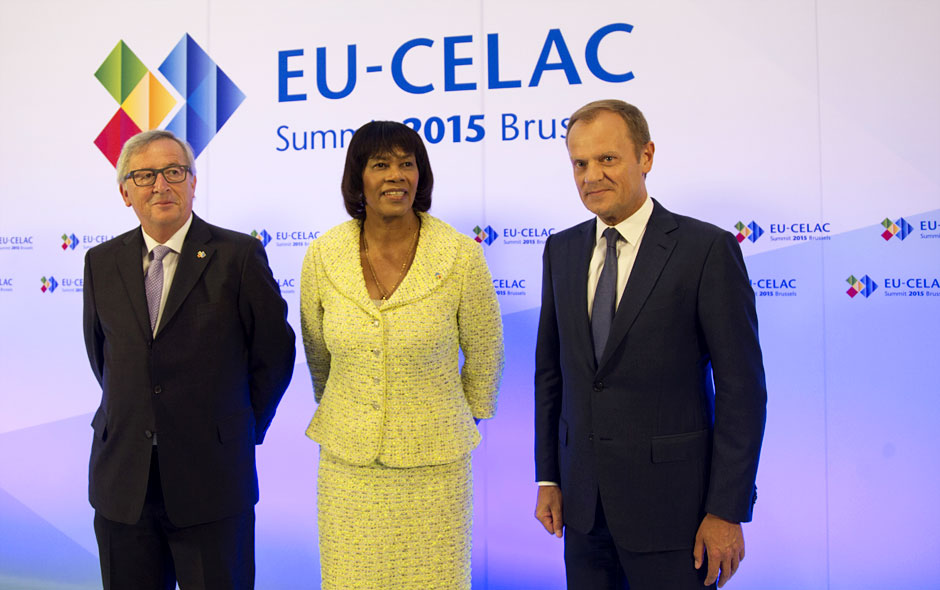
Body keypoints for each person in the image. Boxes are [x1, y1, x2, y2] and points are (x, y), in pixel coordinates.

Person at [533, 100, 767, 589]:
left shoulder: (706, 249)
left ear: (646, 156)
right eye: (580, 163)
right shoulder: (561, 250)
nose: (591, 176)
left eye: (607, 159)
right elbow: (551, 374)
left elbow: (742, 390)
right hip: (583, 511)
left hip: (676, 515)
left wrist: (726, 510)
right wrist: (549, 478)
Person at [83, 129, 296, 589]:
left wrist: (238, 429)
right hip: (123, 484)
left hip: (212, 482)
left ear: (193, 183)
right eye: (144, 176)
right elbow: (104, 356)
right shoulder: (100, 261)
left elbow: (275, 355)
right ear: (125, 193)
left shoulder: (238, 256)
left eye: (174, 172)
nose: (161, 185)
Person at [300, 120, 504, 590]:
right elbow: (317, 353)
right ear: (358, 178)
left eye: (406, 164)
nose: (395, 175)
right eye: (380, 165)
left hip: (437, 470)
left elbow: (486, 352)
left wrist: (456, 418)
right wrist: (349, 411)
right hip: (348, 468)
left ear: (420, 175)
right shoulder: (323, 255)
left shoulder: (460, 255)